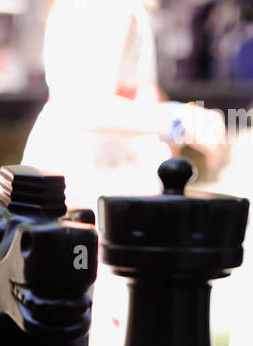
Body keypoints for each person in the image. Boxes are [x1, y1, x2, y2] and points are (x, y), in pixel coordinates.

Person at [23, 0, 226, 207]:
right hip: (88, 178)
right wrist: (177, 119)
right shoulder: (112, 6)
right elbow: (84, 105)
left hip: (87, 174)